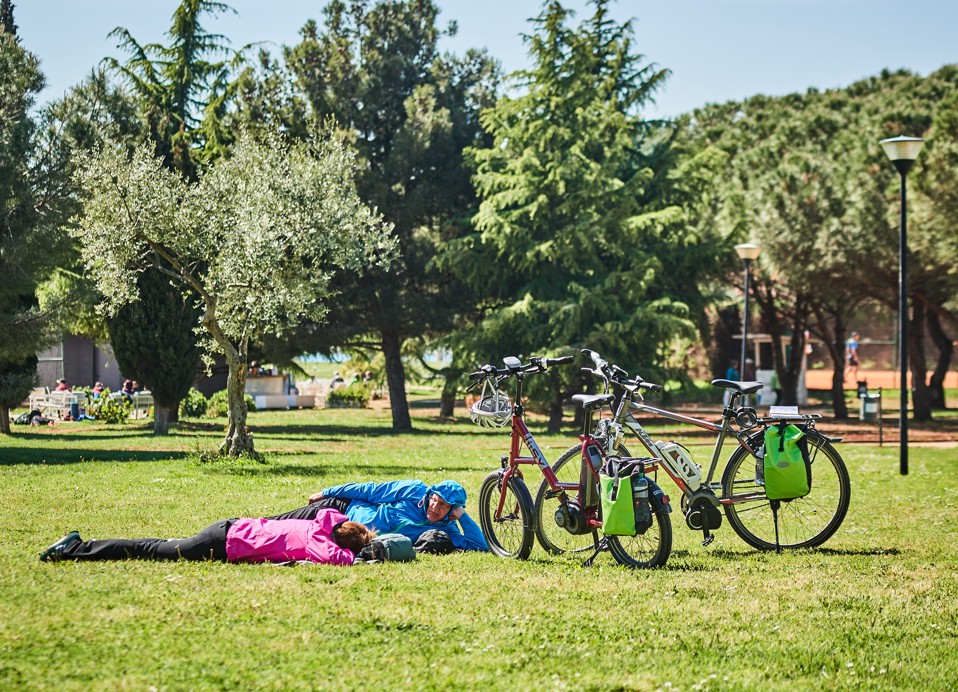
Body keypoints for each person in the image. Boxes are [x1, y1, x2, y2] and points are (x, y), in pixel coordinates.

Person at [39, 508, 374, 566]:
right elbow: (338, 559)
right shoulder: (319, 543)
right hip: (222, 543)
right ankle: (75, 548)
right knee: (150, 550)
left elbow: (339, 521)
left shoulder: (320, 524)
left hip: (229, 528)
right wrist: (364, 556)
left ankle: (78, 546)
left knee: (162, 546)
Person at [269, 479, 488, 552]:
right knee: (278, 523)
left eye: (443, 505)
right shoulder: (414, 490)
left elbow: (480, 546)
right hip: (343, 509)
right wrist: (327, 493)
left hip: (353, 535)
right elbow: (370, 490)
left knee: (292, 538)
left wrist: (462, 516)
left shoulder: (444, 531)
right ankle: (239, 526)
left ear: (452, 511)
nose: (435, 506)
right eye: (435, 499)